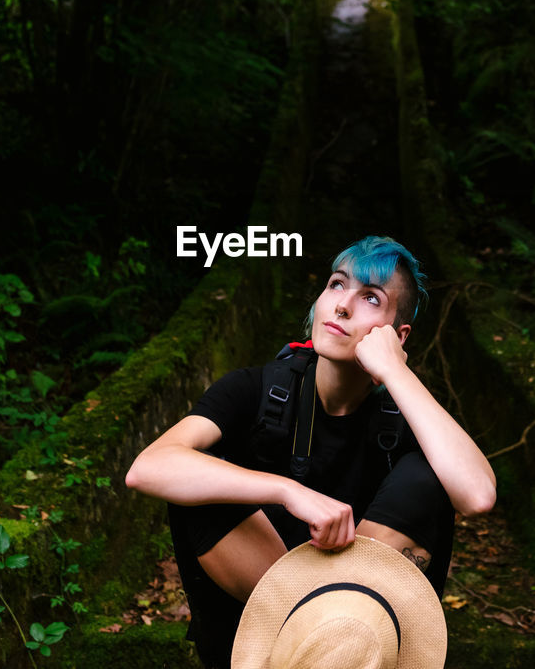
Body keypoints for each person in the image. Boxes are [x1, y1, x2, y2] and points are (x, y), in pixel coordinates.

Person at [125, 236, 496, 668]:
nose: (342, 305)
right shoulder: (255, 388)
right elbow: (147, 468)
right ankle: (308, 639)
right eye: (337, 284)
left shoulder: (404, 416)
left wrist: (394, 369)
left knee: (430, 476)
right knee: (199, 476)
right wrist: (287, 490)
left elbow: (477, 495)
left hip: (358, 632)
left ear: (397, 335)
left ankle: (334, 645)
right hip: (260, 630)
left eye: (370, 298)